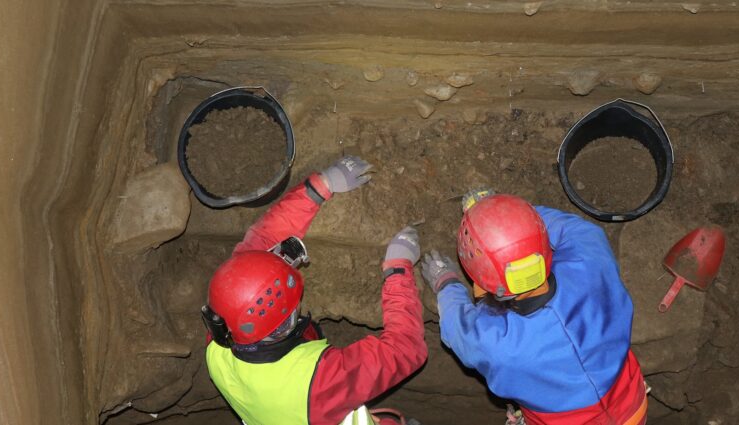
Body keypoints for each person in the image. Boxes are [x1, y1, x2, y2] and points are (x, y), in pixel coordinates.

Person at [202, 156, 427, 425]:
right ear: (287, 324)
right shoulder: (319, 383)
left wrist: (319, 186)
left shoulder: (221, 338)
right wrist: (398, 270)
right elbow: (404, 350)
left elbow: (259, 242)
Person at [421, 191, 647, 425]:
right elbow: (570, 228)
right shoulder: (590, 257)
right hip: (632, 408)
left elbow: (458, 327)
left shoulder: (497, 342)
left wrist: (446, 282)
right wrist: (511, 216)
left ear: (485, 284)